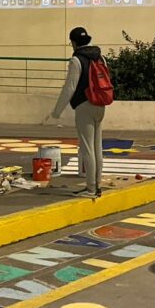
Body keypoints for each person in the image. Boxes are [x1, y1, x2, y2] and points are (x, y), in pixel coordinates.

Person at [49, 27, 106, 198]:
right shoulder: (100, 57)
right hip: (100, 104)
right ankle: (98, 185)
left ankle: (91, 189)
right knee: (97, 147)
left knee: (87, 148)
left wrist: (56, 111)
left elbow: (70, 88)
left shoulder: (76, 60)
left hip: (84, 106)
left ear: (74, 42)